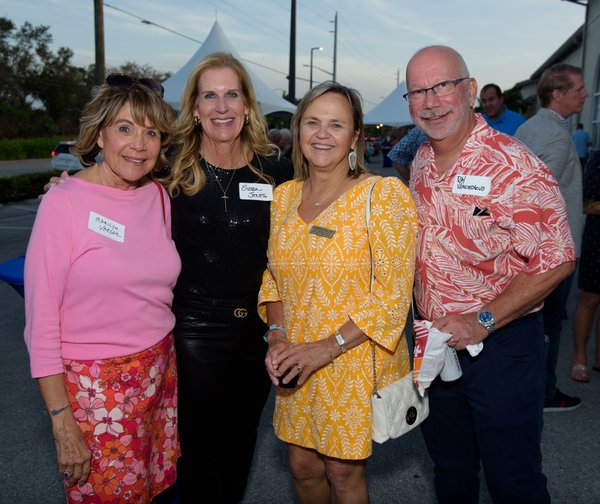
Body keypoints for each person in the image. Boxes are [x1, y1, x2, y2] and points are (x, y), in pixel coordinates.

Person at [405, 45, 575, 503]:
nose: (431, 101)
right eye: (417, 91)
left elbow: (558, 258)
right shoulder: (421, 162)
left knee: (512, 478)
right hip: (435, 345)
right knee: (451, 471)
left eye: (442, 86)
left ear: (471, 90)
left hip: (500, 345)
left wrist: (481, 319)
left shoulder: (515, 165)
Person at [259, 81, 418, 503]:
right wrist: (276, 336)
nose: (322, 134)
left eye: (336, 124)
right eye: (312, 122)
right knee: (302, 466)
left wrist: (324, 349)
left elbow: (393, 296)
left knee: (342, 473)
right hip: (294, 355)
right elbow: (271, 278)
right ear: (298, 131)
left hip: (349, 356)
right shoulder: (283, 197)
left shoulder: (383, 196)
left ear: (355, 137)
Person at [24, 75, 180, 503]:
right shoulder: (63, 203)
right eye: (125, 128)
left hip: (158, 375)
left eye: (151, 132)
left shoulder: (158, 197)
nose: (139, 144)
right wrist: (61, 423)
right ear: (99, 134)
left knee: (154, 491)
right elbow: (40, 327)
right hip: (95, 395)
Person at [164, 52, 292, 503]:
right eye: (210, 96)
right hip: (195, 328)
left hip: (256, 330)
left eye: (231, 94)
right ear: (195, 109)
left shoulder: (274, 170)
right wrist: (69, 186)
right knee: (199, 451)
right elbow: (111, 184)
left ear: (247, 105)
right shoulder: (170, 168)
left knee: (241, 443)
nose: (222, 107)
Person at [515, 63, 588, 411]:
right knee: (548, 327)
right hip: (551, 254)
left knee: (532, 325)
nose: (586, 94)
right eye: (579, 89)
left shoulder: (528, 127)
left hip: (529, 253)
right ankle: (543, 393)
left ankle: (529, 388)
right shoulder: (557, 136)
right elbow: (537, 201)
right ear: (558, 94)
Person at [571, 150, 600, 382]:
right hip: (598, 240)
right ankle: (579, 357)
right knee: (590, 299)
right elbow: (587, 203)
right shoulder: (598, 158)